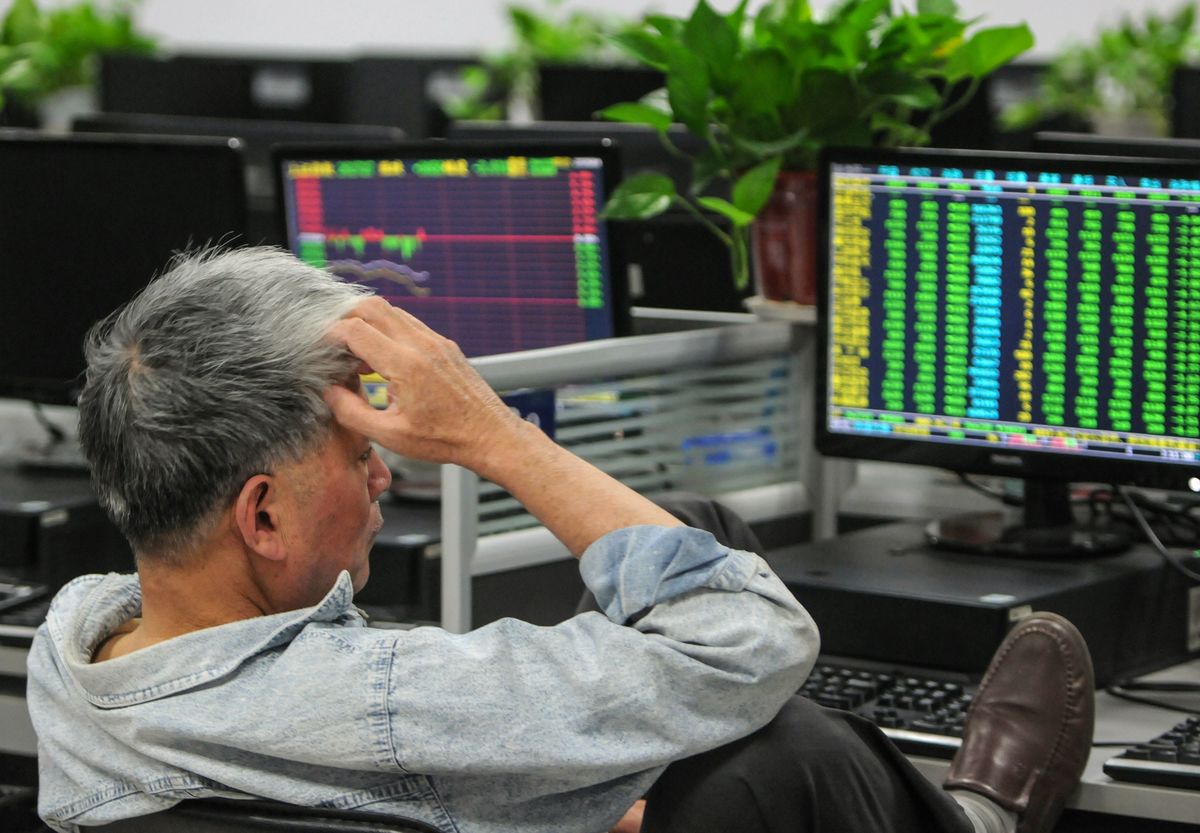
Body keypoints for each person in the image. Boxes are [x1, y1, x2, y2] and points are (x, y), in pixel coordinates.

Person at [26, 247, 1094, 833]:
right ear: (260, 515)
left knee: (699, 534)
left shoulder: (69, 650)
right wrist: (490, 432)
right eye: (358, 452)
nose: (387, 470)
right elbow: (751, 635)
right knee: (782, 752)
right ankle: (975, 823)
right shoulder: (393, 697)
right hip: (392, 725)